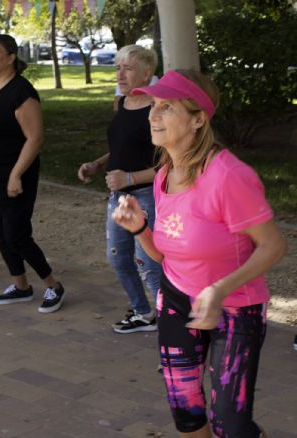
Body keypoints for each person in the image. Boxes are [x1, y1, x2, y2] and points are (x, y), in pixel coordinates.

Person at [112, 69, 286, 438]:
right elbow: (165, 256)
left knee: (231, 425)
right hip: (176, 299)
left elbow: (274, 245)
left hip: (236, 308)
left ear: (197, 119)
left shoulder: (228, 175)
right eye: (153, 105)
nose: (152, 115)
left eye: (167, 107)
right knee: (187, 415)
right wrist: (139, 228)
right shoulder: (164, 174)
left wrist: (220, 289)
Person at [0, 34, 65, 314]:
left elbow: (35, 138)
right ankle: (20, 286)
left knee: (16, 233)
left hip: (13, 176)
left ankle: (53, 285)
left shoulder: (21, 92)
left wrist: (16, 174)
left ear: (11, 57)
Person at [77, 45, 162, 334]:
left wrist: (129, 178)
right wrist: (98, 164)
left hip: (146, 195)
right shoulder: (123, 103)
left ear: (147, 73)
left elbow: (172, 165)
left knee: (148, 263)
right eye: (117, 67)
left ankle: (176, 321)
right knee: (117, 257)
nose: (120, 74)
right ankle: (142, 312)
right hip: (119, 196)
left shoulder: (158, 107)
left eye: (128, 68)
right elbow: (122, 147)